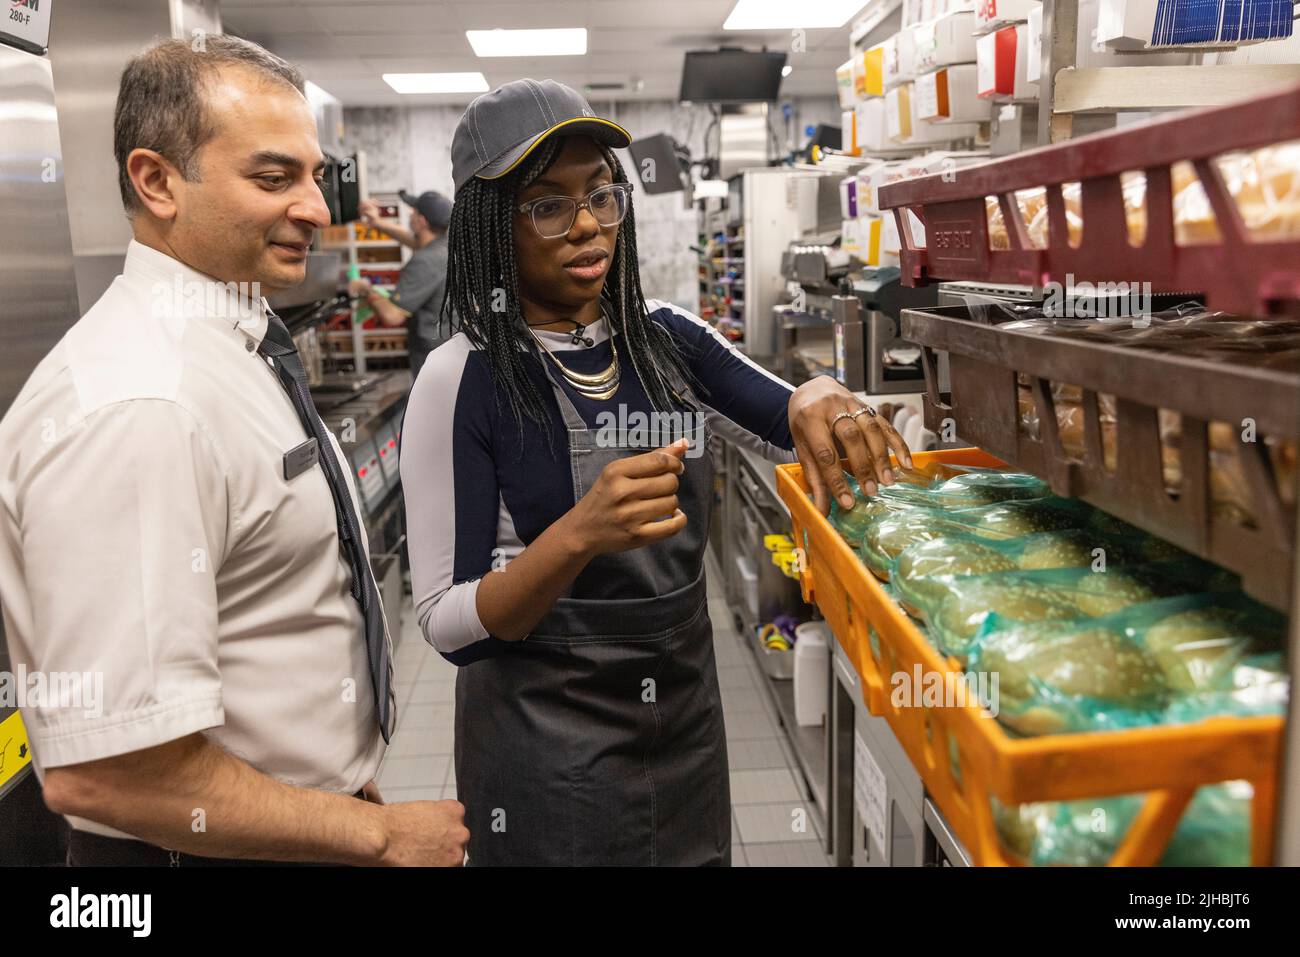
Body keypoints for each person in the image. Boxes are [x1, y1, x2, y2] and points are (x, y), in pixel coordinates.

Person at [400, 78, 911, 866]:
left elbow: (789, 422)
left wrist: (818, 395)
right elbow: (446, 623)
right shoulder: (460, 378)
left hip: (682, 730)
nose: (587, 226)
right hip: (545, 751)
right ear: (490, 225)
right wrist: (575, 537)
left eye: (603, 195)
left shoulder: (667, 340)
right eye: (547, 205)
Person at [0, 35, 466, 866]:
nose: (320, 210)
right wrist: (377, 833)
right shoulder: (139, 401)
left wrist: (343, 791)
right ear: (157, 181)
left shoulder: (234, 340)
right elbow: (109, 771)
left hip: (279, 828)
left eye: (315, 176)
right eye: (273, 177)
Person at [350, 190, 452, 379]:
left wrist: (365, 289)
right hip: (447, 350)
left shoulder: (425, 260)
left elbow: (392, 315)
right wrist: (377, 223)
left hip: (431, 358)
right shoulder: (446, 248)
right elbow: (415, 242)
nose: (410, 215)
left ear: (421, 221)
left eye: (413, 211)